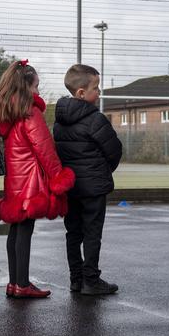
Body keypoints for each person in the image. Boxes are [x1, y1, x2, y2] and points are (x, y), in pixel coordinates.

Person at [0, 60, 75, 299]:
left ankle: (14, 282)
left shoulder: (9, 112)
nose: (37, 91)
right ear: (25, 86)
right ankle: (22, 284)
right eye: (36, 86)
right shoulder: (30, 111)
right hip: (30, 181)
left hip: (16, 179)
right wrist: (58, 177)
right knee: (24, 230)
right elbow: (44, 148)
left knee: (16, 230)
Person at [53, 64, 123, 295]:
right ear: (81, 93)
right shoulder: (96, 119)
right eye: (96, 88)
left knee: (73, 233)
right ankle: (91, 280)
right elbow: (114, 151)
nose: (99, 92)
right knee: (92, 233)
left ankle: (76, 280)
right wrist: (102, 170)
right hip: (93, 188)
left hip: (71, 186)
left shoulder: (59, 121)